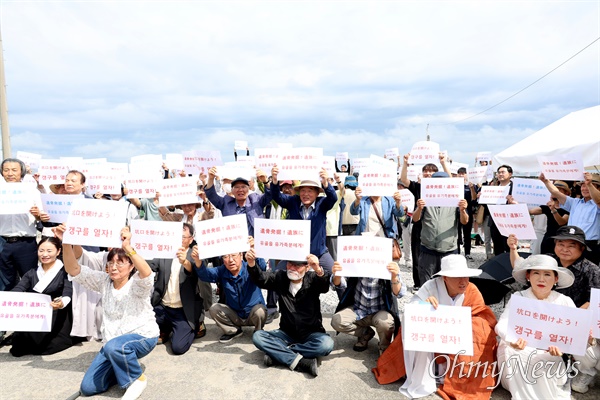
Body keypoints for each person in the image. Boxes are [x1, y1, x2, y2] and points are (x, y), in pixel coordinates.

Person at [373, 255, 497, 400]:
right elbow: (411, 312)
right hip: (434, 335)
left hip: (457, 335)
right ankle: (427, 372)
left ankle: (460, 376)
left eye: (466, 277)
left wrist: (467, 325)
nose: (463, 282)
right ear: (444, 277)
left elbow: (481, 314)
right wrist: (424, 305)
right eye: (457, 277)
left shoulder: (472, 289)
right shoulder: (431, 286)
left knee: (480, 330)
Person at [62, 227, 159, 400]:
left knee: (116, 347)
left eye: (120, 263)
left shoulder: (137, 284)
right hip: (112, 343)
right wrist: (66, 242)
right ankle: (121, 367)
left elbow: (147, 273)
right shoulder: (103, 281)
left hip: (142, 336)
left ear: (131, 266)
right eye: (111, 263)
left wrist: (129, 248)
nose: (114, 267)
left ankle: (137, 379)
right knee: (88, 387)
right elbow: (73, 269)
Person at [496, 255, 576, 399]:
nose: (541, 279)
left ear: (556, 279)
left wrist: (562, 348)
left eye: (547, 274)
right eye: (536, 273)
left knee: (543, 364)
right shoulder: (518, 297)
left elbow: (574, 334)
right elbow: (500, 325)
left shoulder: (565, 301)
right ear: (528, 276)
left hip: (549, 354)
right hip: (519, 349)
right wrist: (512, 340)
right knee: (511, 351)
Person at [250, 255, 334, 377]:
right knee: (258, 336)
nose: (292, 268)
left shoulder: (312, 279)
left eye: (298, 265)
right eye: (290, 264)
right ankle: (301, 362)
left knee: (326, 344)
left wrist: (318, 269)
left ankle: (278, 355)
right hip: (286, 333)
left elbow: (324, 285)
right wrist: (252, 263)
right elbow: (261, 279)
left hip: (311, 333)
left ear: (307, 266)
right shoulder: (280, 277)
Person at [9, 237, 75, 356]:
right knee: (19, 347)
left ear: (58, 251)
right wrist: (7, 298)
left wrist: (61, 303)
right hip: (35, 313)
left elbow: (67, 292)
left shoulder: (64, 271)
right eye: (41, 250)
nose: (45, 254)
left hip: (55, 311)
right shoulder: (32, 272)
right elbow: (19, 288)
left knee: (46, 346)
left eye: (49, 251)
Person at [192, 241, 267, 343]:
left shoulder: (250, 268)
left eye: (234, 255)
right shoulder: (222, 271)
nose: (231, 260)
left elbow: (262, 268)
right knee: (214, 308)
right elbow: (205, 275)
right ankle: (233, 331)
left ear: (241, 256)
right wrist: (198, 261)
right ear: (222, 259)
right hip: (235, 314)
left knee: (260, 310)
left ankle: (258, 331)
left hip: (252, 314)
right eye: (226, 257)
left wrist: (254, 249)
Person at [270, 165, 338, 273]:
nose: (306, 194)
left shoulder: (322, 204)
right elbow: (276, 196)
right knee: (278, 274)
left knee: (334, 273)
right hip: (295, 253)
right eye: (303, 190)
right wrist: (274, 181)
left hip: (318, 253)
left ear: (317, 193)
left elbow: (333, 198)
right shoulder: (293, 202)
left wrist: (325, 183)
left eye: (310, 190)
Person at [149, 223, 205, 355]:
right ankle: (166, 327)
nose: (179, 239)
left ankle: (194, 325)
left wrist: (185, 262)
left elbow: (197, 271)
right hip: (163, 307)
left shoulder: (195, 254)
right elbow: (149, 265)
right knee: (141, 329)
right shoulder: (165, 252)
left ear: (191, 239)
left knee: (179, 348)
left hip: (182, 311)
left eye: (183, 237)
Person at [400, 152, 452, 291]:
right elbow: (403, 179)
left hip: (437, 227)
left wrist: (443, 163)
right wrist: (405, 163)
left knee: (437, 257)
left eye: (431, 171)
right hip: (419, 225)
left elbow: (453, 182)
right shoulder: (418, 187)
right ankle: (419, 284)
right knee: (418, 256)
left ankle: (440, 283)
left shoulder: (444, 188)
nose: (428, 173)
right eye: (426, 171)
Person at [331, 260, 405, 354]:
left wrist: (394, 277)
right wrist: (337, 274)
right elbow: (337, 285)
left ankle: (384, 348)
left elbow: (399, 293)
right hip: (358, 309)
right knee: (337, 321)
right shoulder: (355, 261)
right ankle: (365, 333)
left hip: (380, 311)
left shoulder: (388, 265)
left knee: (386, 323)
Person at [412, 171, 469, 284]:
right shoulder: (425, 200)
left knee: (449, 284)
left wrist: (462, 210)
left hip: (449, 250)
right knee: (427, 284)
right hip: (428, 250)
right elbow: (415, 219)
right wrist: (419, 208)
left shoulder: (455, 200)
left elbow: (465, 221)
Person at [540, 172, 600, 264]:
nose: (585, 188)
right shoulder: (575, 202)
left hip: (589, 246)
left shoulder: (597, 205)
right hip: (570, 243)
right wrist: (546, 181)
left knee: (587, 274)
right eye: (583, 185)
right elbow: (556, 193)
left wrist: (589, 184)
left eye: (589, 185)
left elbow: (598, 200)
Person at [0, 158, 39, 291]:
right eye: (6, 170)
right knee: (4, 282)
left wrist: (37, 214)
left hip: (26, 243)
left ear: (21, 172)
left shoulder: (31, 190)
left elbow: (41, 216)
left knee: (30, 280)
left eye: (14, 170)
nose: (10, 173)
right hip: (3, 242)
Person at [204, 168, 272, 236]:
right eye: (236, 187)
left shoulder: (256, 200)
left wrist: (265, 181)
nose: (240, 190)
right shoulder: (226, 203)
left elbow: (271, 194)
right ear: (232, 191)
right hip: (234, 243)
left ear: (248, 189)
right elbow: (211, 195)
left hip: (255, 243)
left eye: (243, 187)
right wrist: (210, 178)